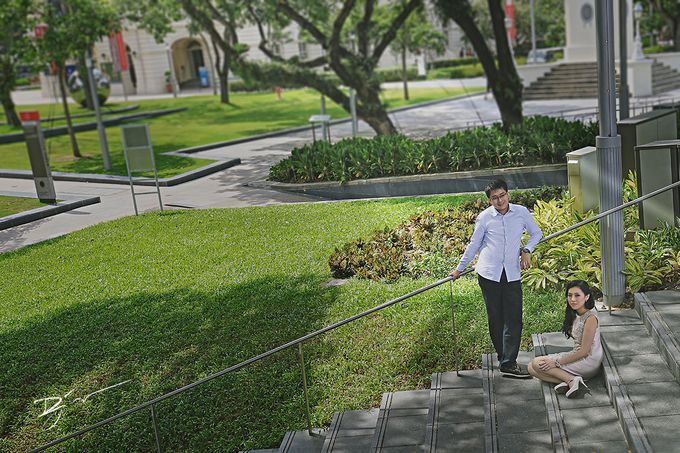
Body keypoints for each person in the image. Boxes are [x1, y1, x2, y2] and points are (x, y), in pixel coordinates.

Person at [450, 179, 542, 378]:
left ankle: (508, 362)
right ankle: (505, 359)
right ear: (489, 200)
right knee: (496, 318)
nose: (500, 201)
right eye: (494, 198)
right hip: (489, 274)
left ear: (508, 194)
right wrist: (459, 269)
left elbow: (536, 233)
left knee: (514, 317)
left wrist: (527, 249)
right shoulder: (484, 218)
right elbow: (474, 245)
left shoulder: (521, 212)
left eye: (502, 195)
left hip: (512, 274)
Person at [528, 280, 602, 398]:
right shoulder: (577, 313)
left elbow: (584, 351)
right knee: (531, 368)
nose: (573, 299)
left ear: (586, 297)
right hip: (577, 354)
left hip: (588, 360)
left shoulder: (591, 318)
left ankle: (571, 380)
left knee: (537, 364)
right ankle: (571, 381)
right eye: (570, 295)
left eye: (577, 295)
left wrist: (556, 362)